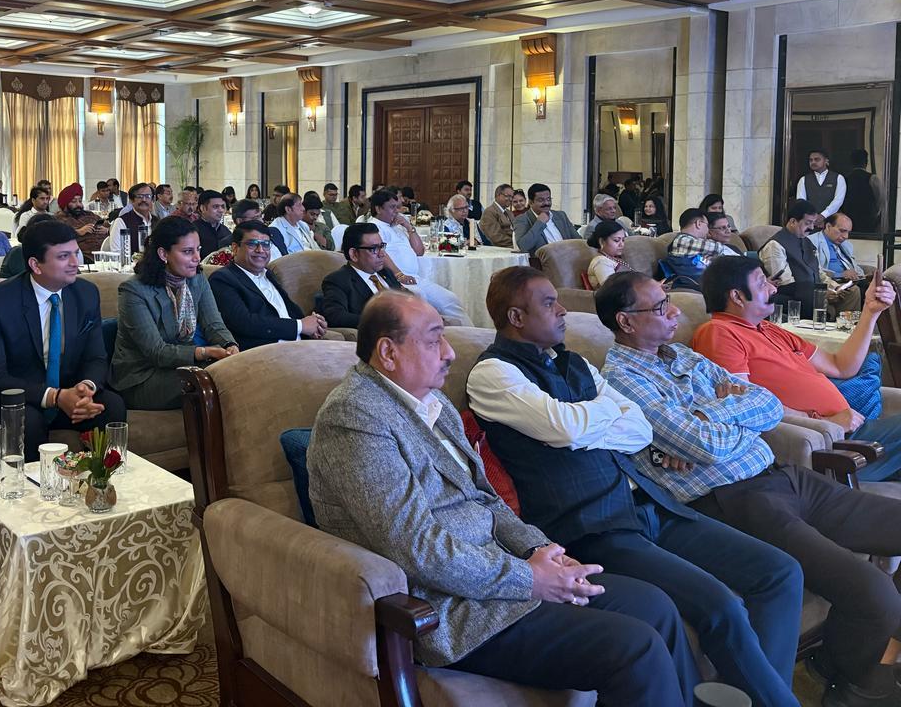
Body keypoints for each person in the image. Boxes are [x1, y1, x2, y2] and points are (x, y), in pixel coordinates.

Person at [307, 292, 698, 706]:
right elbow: (415, 547)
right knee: (634, 647)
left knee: (654, 605)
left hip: (502, 573)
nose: (449, 352)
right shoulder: (354, 417)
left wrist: (541, 550)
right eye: (434, 340)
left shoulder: (433, 402)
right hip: (455, 608)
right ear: (388, 352)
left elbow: (486, 498)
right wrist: (530, 579)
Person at [467, 267, 804, 707]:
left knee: (779, 571)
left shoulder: (575, 363)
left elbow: (639, 429)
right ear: (516, 316)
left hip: (650, 503)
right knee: (720, 605)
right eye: (549, 303)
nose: (563, 309)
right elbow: (565, 427)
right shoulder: (493, 373)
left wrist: (589, 422)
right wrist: (603, 415)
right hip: (591, 526)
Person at [597, 270, 901, 707]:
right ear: (626, 321)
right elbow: (704, 444)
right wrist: (726, 413)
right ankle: (853, 686)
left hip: (784, 476)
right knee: (873, 592)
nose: (675, 312)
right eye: (661, 307)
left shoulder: (682, 355)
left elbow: (768, 403)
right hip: (734, 499)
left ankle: (841, 664)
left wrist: (711, 413)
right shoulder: (623, 379)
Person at [694, 257, 901, 482]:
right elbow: (743, 403)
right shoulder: (719, 332)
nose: (773, 289)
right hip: (830, 442)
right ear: (737, 296)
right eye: (762, 283)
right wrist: (823, 422)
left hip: (848, 428)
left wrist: (870, 311)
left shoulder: (769, 329)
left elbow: (841, 366)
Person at [0, 219, 125, 455]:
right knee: (28, 422)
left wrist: (86, 388)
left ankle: (102, 477)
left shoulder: (86, 293)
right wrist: (55, 396)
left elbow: (96, 357)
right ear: (36, 264)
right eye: (63, 256)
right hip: (22, 397)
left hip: (69, 392)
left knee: (111, 406)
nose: (75, 262)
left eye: (75, 253)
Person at [111, 217, 237, 410]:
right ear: (163, 254)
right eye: (187, 251)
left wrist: (230, 346)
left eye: (198, 249)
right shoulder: (133, 291)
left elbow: (214, 325)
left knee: (235, 371)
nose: (197, 258)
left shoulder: (197, 279)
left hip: (182, 366)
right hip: (142, 376)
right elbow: (156, 352)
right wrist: (204, 352)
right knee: (214, 380)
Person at [208, 222, 328, 349]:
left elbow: (290, 312)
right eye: (252, 244)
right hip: (264, 351)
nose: (260, 250)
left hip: (297, 345)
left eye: (265, 244)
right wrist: (300, 326)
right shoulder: (222, 279)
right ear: (235, 248)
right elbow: (243, 322)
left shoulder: (269, 274)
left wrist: (315, 325)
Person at [366, 189, 472, 325]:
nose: (397, 211)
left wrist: (409, 227)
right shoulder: (373, 227)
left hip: (414, 277)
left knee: (450, 299)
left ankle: (470, 333)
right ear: (378, 209)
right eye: (392, 207)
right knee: (420, 298)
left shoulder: (397, 226)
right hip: (395, 279)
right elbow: (381, 253)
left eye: (397, 207)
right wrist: (399, 274)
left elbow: (419, 251)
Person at [320, 223, 405, 328]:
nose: (382, 254)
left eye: (382, 246)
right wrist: (380, 322)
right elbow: (336, 316)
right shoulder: (338, 281)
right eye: (374, 249)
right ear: (354, 254)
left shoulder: (386, 273)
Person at [757, 200, 820, 319]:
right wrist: (817, 291)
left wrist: (833, 288)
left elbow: (818, 271)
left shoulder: (808, 243)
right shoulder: (775, 245)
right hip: (786, 294)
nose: (812, 227)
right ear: (793, 222)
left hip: (812, 291)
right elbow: (784, 282)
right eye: (808, 223)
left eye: (813, 223)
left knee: (852, 292)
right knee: (810, 291)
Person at [663, 208, 737, 290]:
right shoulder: (682, 240)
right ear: (698, 224)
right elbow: (717, 248)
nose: (708, 230)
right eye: (707, 225)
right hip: (699, 284)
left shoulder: (691, 243)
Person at [810, 213, 866, 317]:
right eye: (842, 231)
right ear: (828, 226)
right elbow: (815, 270)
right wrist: (840, 274)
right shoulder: (812, 242)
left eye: (848, 232)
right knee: (854, 291)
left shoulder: (846, 245)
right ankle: (848, 324)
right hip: (829, 281)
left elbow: (854, 265)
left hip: (848, 281)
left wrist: (860, 275)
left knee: (877, 287)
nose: (846, 236)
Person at [513, 184, 581, 256]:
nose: (546, 203)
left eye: (548, 199)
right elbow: (523, 246)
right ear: (531, 202)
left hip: (569, 257)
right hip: (544, 261)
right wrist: (539, 223)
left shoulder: (561, 216)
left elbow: (578, 240)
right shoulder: (522, 220)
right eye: (541, 200)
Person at [54, 183, 107, 261]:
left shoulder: (90, 215)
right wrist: (78, 232)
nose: (78, 205)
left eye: (80, 201)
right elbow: (56, 238)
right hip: (82, 258)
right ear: (65, 204)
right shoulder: (58, 219)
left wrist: (107, 230)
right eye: (74, 201)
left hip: (106, 255)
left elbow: (109, 226)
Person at [796, 148, 845, 224]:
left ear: (826, 161)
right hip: (810, 222)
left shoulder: (838, 178)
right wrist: (813, 218)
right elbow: (801, 202)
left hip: (832, 221)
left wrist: (823, 216)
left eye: (817, 159)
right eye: (811, 160)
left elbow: (838, 201)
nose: (813, 162)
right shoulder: (803, 179)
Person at [107, 183, 157, 256]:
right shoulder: (122, 221)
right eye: (139, 196)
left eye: (148, 196)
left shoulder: (157, 221)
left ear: (153, 199)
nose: (144, 200)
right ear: (131, 200)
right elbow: (116, 253)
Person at [841, 149, 882, 234]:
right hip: (869, 223)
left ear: (851, 163)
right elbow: (881, 202)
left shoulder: (844, 180)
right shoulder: (872, 179)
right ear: (866, 162)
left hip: (849, 223)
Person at [587, 220, 631, 289]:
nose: (622, 244)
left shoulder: (612, 258)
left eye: (623, 240)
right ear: (602, 241)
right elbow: (612, 289)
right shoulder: (601, 261)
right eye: (616, 240)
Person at [193, 189, 231, 255]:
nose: (221, 210)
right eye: (216, 207)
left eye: (222, 206)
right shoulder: (193, 230)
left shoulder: (225, 230)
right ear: (203, 208)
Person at [478, 183, 515, 248]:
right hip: (500, 248)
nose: (510, 199)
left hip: (512, 245)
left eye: (512, 197)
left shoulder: (509, 213)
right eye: (507, 196)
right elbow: (495, 237)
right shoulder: (489, 212)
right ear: (498, 195)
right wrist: (516, 242)